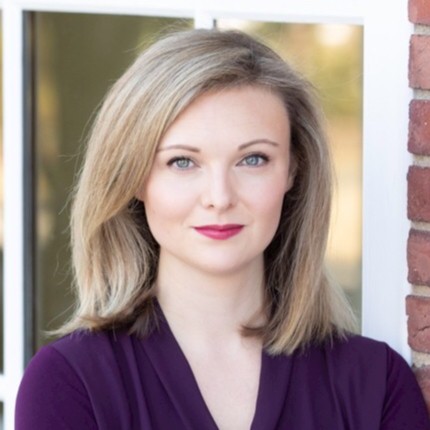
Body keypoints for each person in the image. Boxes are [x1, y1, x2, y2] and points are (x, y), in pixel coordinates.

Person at [15, 28, 430, 430]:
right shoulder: (70, 385)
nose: (219, 197)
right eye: (182, 162)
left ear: (294, 170)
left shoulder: (376, 385)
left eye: (253, 159)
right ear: (135, 177)